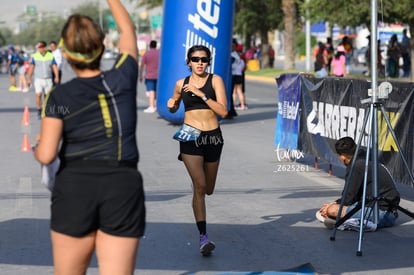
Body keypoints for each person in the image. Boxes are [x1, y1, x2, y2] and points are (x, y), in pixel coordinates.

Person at [33, 1, 145, 274]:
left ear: (66, 55)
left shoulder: (59, 96)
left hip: (75, 188)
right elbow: (127, 30)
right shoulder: (123, 78)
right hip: (122, 185)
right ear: (103, 47)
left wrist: (38, 147)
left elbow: (47, 154)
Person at [167, 45, 227, 256]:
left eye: (204, 59)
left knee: (208, 189)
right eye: (195, 59)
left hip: (213, 137)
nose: (200, 62)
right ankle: (203, 237)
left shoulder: (215, 80)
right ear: (189, 61)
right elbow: (173, 106)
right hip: (190, 137)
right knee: (199, 187)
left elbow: (224, 111)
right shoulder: (180, 84)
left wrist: (201, 94)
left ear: (208, 61)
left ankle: (198, 180)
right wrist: (172, 104)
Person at [317, 137, 400, 230]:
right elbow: (353, 195)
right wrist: (335, 202)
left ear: (342, 157)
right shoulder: (365, 157)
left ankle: (352, 222)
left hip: (382, 214)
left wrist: (331, 206)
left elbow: (348, 198)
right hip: (388, 210)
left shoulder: (356, 166)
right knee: (335, 208)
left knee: (332, 210)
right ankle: (349, 221)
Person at [26, 41, 59, 119]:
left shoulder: (50, 55)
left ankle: (46, 110)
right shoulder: (35, 56)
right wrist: (29, 78)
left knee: (47, 96)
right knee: (38, 94)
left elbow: (54, 66)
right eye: (38, 48)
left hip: (48, 78)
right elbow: (31, 68)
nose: (39, 49)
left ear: (44, 47)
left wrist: (56, 76)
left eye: (41, 48)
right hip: (38, 79)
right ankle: (39, 110)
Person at [139, 40, 160, 113]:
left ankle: (152, 106)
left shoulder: (147, 54)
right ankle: (156, 106)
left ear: (150, 46)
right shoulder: (159, 53)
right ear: (156, 45)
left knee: (151, 91)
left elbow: (142, 65)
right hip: (158, 76)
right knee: (156, 91)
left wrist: (140, 75)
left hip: (149, 76)